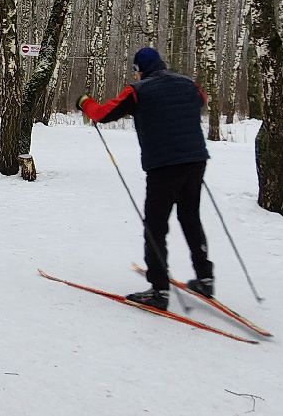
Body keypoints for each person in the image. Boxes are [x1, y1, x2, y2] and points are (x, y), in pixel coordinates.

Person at [78, 46, 214, 310]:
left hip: (163, 166)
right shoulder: (188, 84)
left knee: (155, 225)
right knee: (190, 217)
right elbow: (202, 99)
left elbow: (103, 114)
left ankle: (159, 290)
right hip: (195, 160)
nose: (136, 76)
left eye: (136, 71)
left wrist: (85, 102)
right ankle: (205, 277)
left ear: (140, 70)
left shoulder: (138, 91)